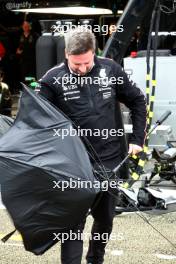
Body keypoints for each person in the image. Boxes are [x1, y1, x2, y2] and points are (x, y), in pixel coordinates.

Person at [37, 27, 147, 264]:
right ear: (66, 54)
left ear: (93, 53)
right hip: (74, 165)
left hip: (110, 160)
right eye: (76, 64)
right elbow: (36, 122)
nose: (82, 69)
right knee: (73, 224)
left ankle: (95, 259)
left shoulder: (111, 70)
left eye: (87, 63)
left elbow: (138, 100)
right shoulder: (51, 80)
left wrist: (137, 139)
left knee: (105, 219)